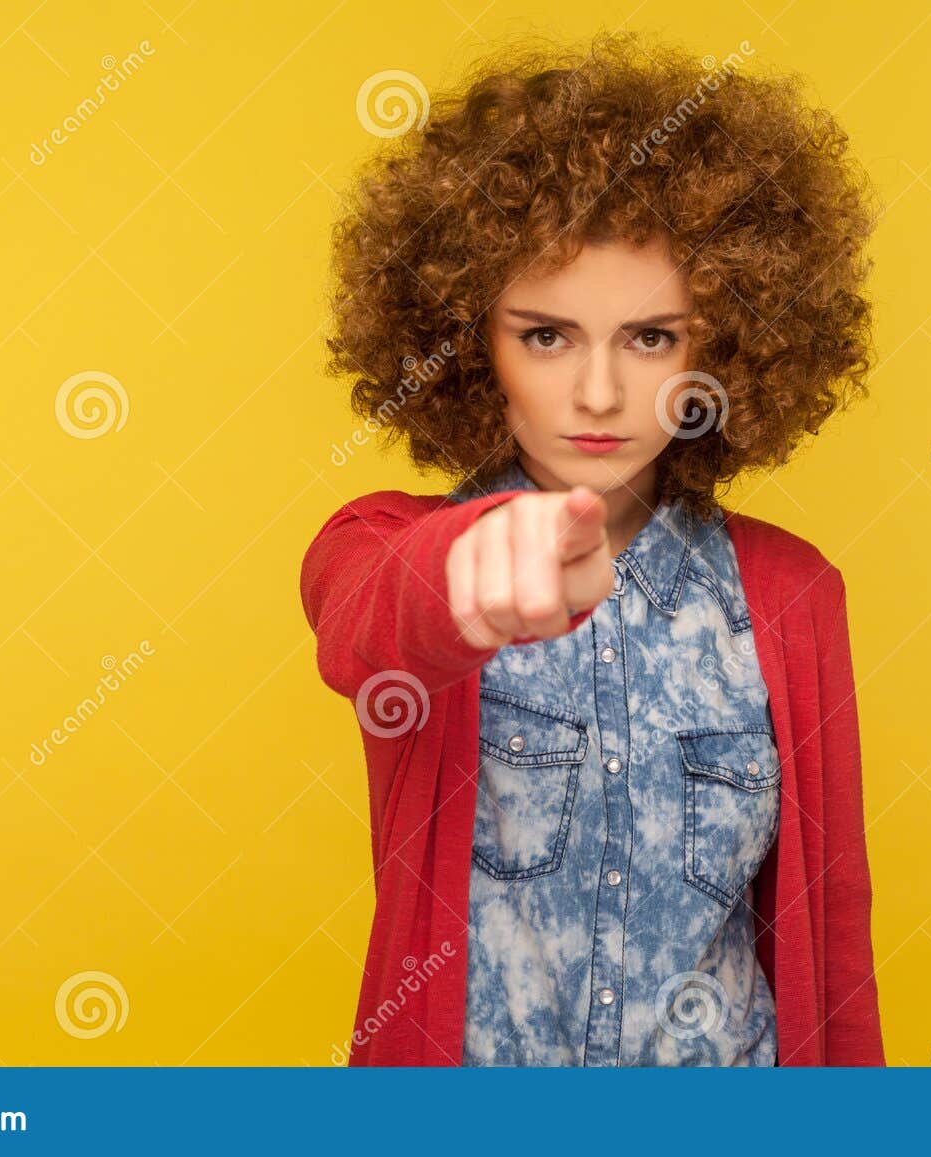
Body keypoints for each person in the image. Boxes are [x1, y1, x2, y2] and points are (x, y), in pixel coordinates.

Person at [301, 31, 884, 1066]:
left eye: (652, 336)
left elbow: (830, 952)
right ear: (471, 339)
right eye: (545, 334)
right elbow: (363, 621)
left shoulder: (794, 597)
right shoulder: (385, 545)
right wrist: (471, 567)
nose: (601, 392)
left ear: (728, 339)